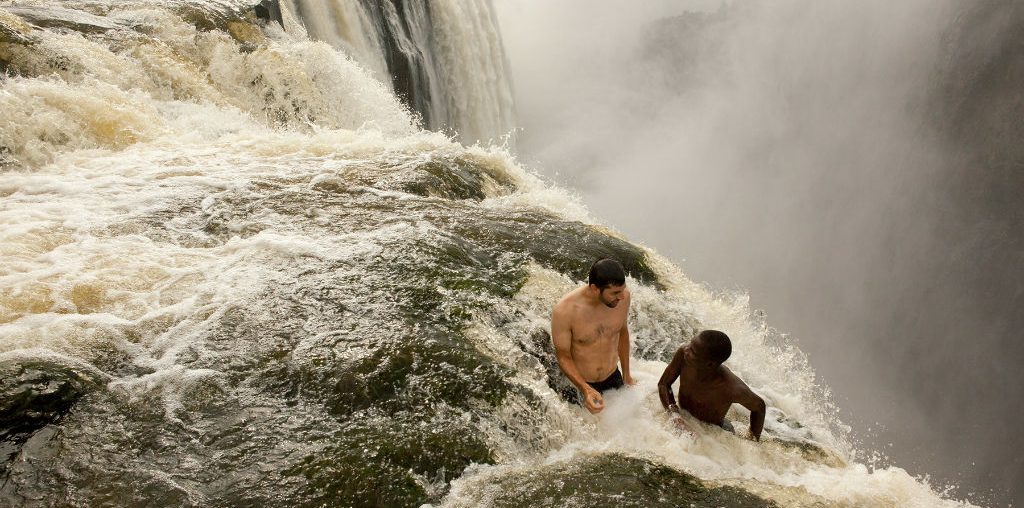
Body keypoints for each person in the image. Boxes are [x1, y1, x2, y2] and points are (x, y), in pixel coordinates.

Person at [550, 258, 635, 414]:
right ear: (595, 288)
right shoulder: (565, 311)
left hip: (613, 377)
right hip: (579, 386)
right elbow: (563, 357)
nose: (621, 296)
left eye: (623, 289)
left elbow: (622, 333)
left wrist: (627, 375)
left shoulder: (622, 299)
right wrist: (585, 389)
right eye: (615, 292)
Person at [657, 330, 766, 440]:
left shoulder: (732, 388)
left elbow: (759, 407)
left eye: (693, 352)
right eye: (690, 344)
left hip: (713, 434)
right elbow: (663, 384)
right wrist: (674, 415)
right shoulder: (683, 355)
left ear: (709, 364)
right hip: (682, 416)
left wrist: (752, 441)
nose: (686, 350)